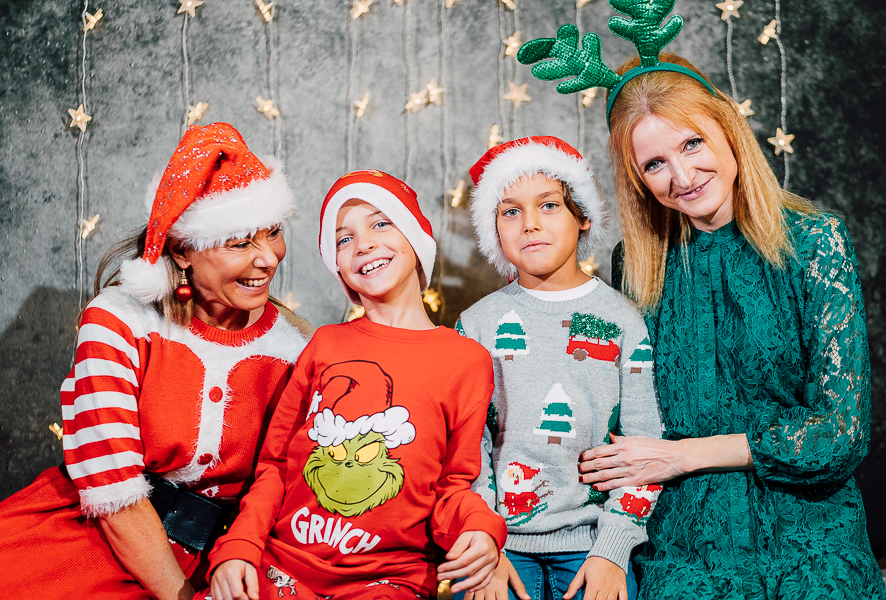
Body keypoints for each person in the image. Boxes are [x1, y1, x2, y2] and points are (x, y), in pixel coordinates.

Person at [575, 52, 886, 598]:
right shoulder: (637, 266)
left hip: (809, 540)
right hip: (684, 546)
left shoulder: (815, 241)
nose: (682, 177)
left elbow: (841, 433)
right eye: (654, 164)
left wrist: (685, 455)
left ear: (728, 128)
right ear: (637, 179)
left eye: (692, 143)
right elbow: (625, 422)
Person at [0, 122, 308, 599]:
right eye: (241, 242)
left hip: (228, 558)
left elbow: (290, 484)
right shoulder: (118, 321)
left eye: (274, 233)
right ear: (182, 250)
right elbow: (112, 485)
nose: (269, 258)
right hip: (94, 538)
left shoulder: (297, 347)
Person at [203, 169, 506, 600]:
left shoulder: (466, 360)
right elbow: (276, 466)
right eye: (344, 239)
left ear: (416, 240)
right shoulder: (325, 344)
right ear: (340, 269)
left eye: (381, 224)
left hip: (388, 580)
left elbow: (454, 486)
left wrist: (479, 528)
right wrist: (239, 547)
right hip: (283, 566)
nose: (363, 244)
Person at [452, 136, 664, 600]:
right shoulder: (476, 324)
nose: (530, 223)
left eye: (548, 205)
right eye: (510, 211)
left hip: (594, 545)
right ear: (493, 228)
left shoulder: (623, 321)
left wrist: (612, 551)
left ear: (582, 215)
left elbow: (645, 445)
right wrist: (484, 542)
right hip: (498, 546)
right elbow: (466, 449)